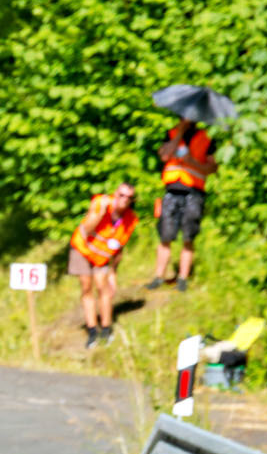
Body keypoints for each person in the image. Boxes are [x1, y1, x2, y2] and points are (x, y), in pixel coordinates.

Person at [147, 121, 217, 292]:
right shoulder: (171, 133)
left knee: (188, 237)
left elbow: (212, 167)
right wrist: (179, 133)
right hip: (171, 191)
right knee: (165, 236)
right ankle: (158, 277)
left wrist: (192, 162)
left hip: (194, 192)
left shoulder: (207, 138)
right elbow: (164, 156)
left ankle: (183, 279)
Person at [67, 182, 138, 346]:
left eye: (129, 197)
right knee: (87, 287)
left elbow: (119, 248)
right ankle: (92, 330)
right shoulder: (100, 203)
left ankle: (106, 329)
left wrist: (113, 272)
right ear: (115, 194)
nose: (124, 199)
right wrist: (100, 213)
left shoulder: (131, 219)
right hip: (83, 249)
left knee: (103, 288)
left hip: (102, 257)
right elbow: (86, 230)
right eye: (121, 195)